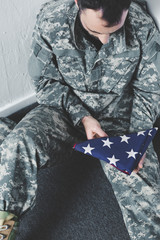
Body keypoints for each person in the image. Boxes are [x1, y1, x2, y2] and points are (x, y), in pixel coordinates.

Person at [0, 0, 160, 239]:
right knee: (17, 145)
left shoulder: (143, 26)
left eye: (114, 31)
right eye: (96, 31)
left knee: (146, 195)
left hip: (120, 115)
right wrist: (82, 117)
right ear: (77, 3)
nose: (106, 40)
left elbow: (149, 91)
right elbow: (45, 81)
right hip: (65, 111)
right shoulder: (51, 19)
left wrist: (137, 140)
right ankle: (4, 228)